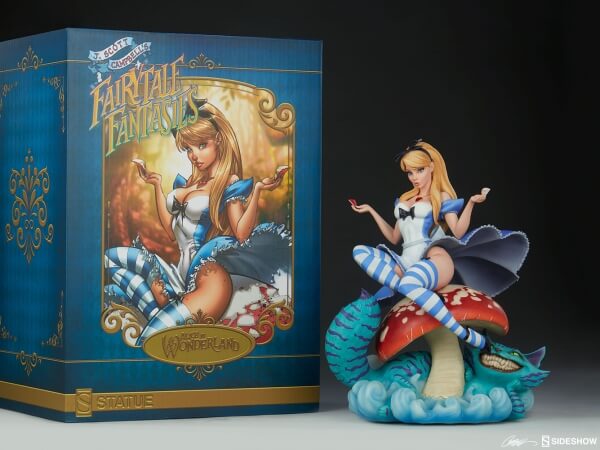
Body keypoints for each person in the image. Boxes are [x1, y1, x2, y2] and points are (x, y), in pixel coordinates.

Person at [104, 99, 291, 344]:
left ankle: (160, 314)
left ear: (219, 140)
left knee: (150, 339)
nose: (194, 155)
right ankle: (160, 310)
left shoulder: (228, 183)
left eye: (202, 145)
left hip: (209, 279)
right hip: (179, 277)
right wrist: (157, 185)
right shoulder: (190, 183)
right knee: (109, 261)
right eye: (188, 149)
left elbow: (241, 234)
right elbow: (171, 232)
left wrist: (256, 192)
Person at [350, 139, 528, 350]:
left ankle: (464, 334)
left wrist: (471, 203)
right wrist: (371, 211)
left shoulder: (441, 197)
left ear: (432, 167)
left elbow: (458, 231)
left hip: (433, 258)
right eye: (409, 173)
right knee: (359, 251)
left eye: (420, 170)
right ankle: (409, 288)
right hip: (406, 261)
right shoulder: (405, 199)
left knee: (407, 284)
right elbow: (394, 238)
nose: (415, 177)